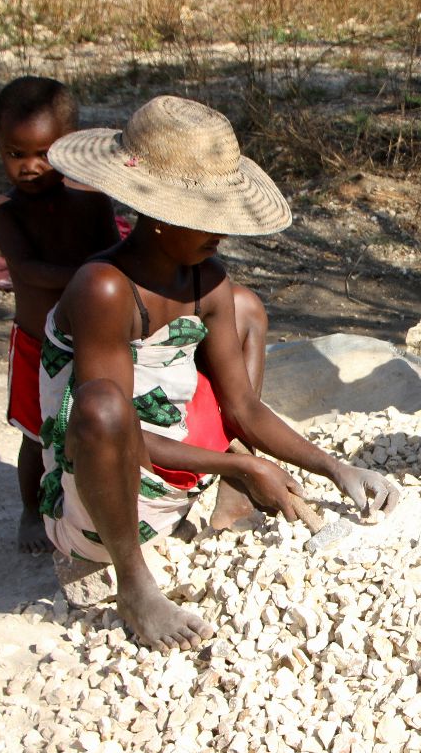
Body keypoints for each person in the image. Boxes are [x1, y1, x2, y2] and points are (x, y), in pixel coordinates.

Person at [40, 95, 400, 650]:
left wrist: (338, 471)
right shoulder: (105, 289)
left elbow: (243, 407)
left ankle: (226, 480)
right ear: (157, 214)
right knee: (104, 405)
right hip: (107, 493)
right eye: (205, 217)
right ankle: (135, 586)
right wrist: (243, 464)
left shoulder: (205, 277)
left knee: (245, 305)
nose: (221, 232)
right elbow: (117, 432)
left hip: (172, 451)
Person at [0, 76, 121, 553]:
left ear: (68, 145)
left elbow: (114, 250)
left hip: (89, 335)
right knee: (34, 434)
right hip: (35, 342)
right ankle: (30, 509)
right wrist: (94, 277)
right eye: (14, 153)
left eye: (42, 152)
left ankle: (93, 504)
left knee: (92, 421)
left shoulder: (92, 200)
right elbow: (29, 270)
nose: (28, 167)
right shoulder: (3, 210)